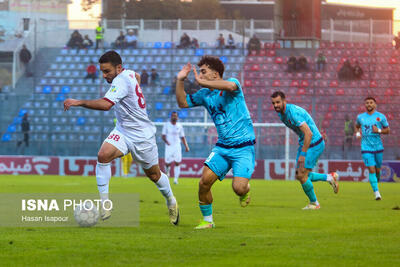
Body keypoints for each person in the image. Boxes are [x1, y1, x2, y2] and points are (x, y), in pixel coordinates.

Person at [63, 50, 179, 225]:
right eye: (102, 71)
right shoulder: (129, 73)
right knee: (103, 155)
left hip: (142, 136)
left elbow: (105, 105)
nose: (104, 75)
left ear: (118, 68)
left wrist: (78, 102)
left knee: (154, 175)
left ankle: (171, 200)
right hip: (123, 131)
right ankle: (105, 203)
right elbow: (137, 76)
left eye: (107, 71)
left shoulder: (121, 80)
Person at [176, 56, 255, 229]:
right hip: (222, 147)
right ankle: (208, 221)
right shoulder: (205, 95)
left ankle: (245, 190)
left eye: (204, 71)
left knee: (239, 188)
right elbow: (182, 102)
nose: (201, 75)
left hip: (243, 147)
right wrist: (180, 80)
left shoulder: (232, 84)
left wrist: (202, 82)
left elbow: (229, 86)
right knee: (204, 182)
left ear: (215, 73)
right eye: (200, 72)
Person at [271, 91, 339, 210]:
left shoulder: (293, 113)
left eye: (278, 102)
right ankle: (329, 177)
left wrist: (303, 154)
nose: (275, 105)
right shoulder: (281, 114)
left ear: (284, 101)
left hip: (314, 143)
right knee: (300, 174)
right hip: (306, 142)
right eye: (273, 103)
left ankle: (314, 203)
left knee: (302, 175)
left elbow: (308, 133)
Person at [355, 97, 390, 200]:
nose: (369, 104)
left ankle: (376, 184)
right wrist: (357, 133)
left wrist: (378, 130)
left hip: (378, 147)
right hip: (366, 147)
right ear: (365, 105)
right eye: (367, 103)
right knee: (371, 169)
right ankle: (377, 193)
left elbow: (387, 130)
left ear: (375, 105)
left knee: (377, 170)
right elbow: (356, 126)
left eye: (371, 103)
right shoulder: (360, 117)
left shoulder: (381, 117)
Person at [162, 111, 190, 185]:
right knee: (167, 163)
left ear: (177, 117)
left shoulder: (179, 125)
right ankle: (167, 172)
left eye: (175, 116)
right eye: (173, 115)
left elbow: (182, 137)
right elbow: (163, 136)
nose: (174, 117)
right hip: (169, 147)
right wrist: (167, 142)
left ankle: (175, 179)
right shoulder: (166, 125)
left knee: (177, 163)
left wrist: (186, 146)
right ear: (171, 116)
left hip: (177, 146)